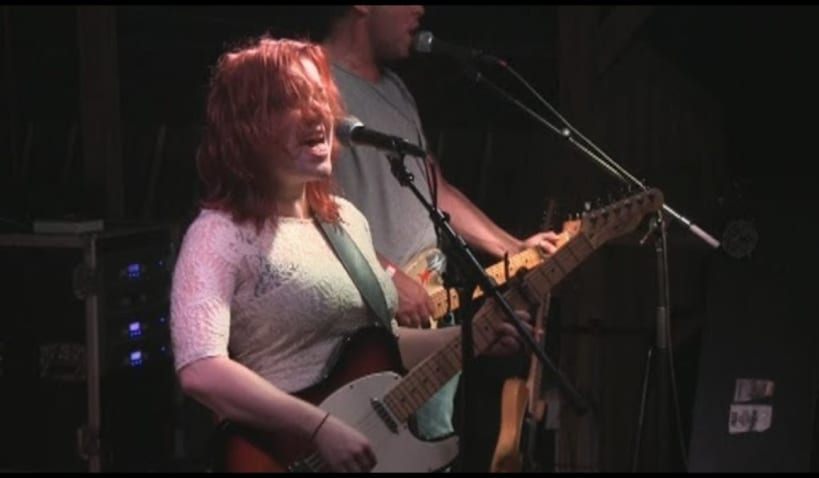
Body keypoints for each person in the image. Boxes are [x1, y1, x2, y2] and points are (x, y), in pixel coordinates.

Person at [169, 36, 531, 473]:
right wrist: (318, 426)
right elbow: (200, 370)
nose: (319, 114)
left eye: (321, 98)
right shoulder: (219, 235)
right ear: (248, 126)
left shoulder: (345, 221)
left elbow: (382, 349)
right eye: (294, 102)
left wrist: (471, 337)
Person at [319, 5, 560, 447]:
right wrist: (387, 275)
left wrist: (514, 248)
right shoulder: (312, 82)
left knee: (432, 447)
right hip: (365, 326)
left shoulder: (396, 91)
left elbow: (436, 188)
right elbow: (308, 208)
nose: (420, 10)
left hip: (431, 304)